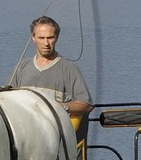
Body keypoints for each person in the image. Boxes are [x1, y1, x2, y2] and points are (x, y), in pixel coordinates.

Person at [8, 15, 92, 150]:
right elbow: (8, 100)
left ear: (56, 38)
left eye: (50, 38)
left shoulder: (69, 69)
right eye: (41, 38)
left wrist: (60, 107)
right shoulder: (21, 67)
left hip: (57, 143)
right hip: (25, 141)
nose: (46, 43)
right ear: (33, 38)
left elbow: (86, 105)